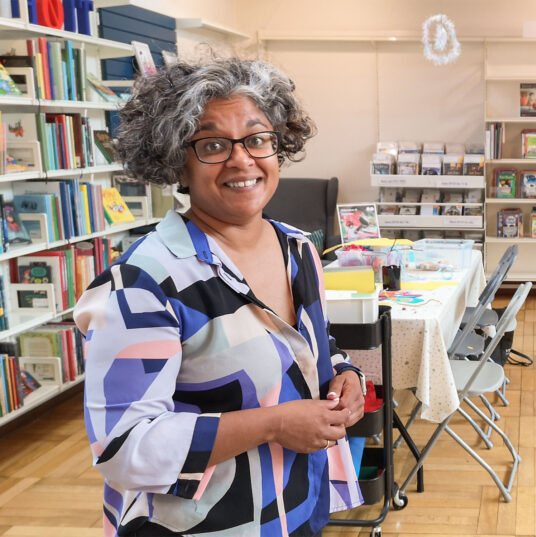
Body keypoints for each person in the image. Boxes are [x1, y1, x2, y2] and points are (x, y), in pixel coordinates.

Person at [74, 57, 366, 537]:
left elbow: (310, 350)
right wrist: (272, 425)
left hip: (296, 508)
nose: (242, 159)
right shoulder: (142, 283)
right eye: (212, 144)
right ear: (177, 163)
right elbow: (125, 450)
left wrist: (346, 376)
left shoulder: (298, 248)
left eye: (257, 138)